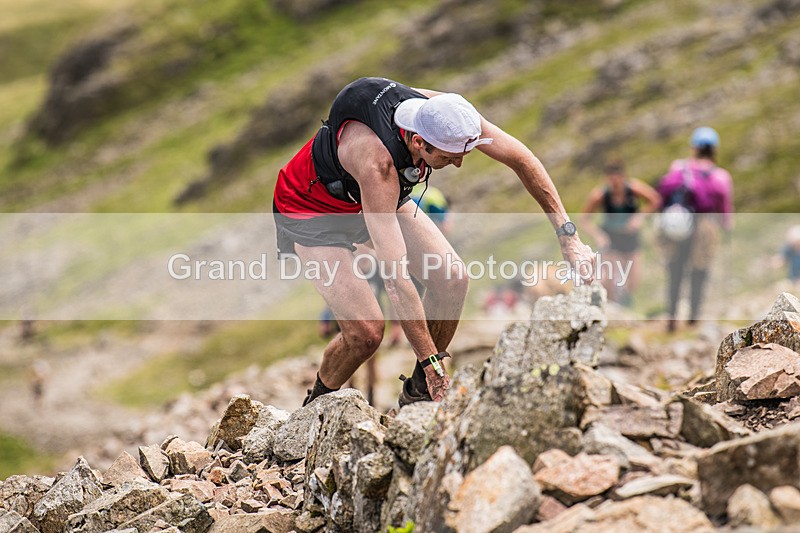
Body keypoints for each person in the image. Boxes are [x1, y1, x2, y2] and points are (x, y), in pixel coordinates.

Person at [272, 77, 595, 407]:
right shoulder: (379, 166)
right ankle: (314, 409)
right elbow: (396, 280)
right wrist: (432, 362)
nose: (458, 163)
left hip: (364, 196)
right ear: (418, 143)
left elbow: (522, 159)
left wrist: (568, 237)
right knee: (366, 333)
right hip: (309, 210)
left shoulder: (445, 114)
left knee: (452, 279)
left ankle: (419, 398)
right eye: (449, 157)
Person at [656, 126, 733, 332]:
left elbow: (664, 195)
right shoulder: (720, 176)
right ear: (714, 149)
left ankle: (671, 316)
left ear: (694, 148)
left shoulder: (679, 167)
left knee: (675, 270)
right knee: (700, 270)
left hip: (678, 223)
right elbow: (724, 209)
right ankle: (693, 318)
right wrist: (726, 228)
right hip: (705, 226)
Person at [580, 159, 661, 305]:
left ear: (623, 177)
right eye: (611, 180)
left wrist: (639, 217)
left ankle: (626, 308)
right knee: (609, 279)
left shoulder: (633, 188)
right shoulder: (600, 195)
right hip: (611, 238)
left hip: (631, 238)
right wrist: (598, 235)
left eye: (618, 179)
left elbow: (655, 200)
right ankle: (609, 309)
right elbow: (584, 220)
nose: (615, 183)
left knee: (633, 280)